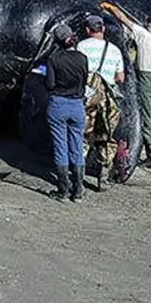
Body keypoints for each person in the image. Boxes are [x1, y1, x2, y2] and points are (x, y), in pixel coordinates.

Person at [99, 1, 151, 169]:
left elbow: (122, 18)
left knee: (147, 116)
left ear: (149, 24)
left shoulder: (144, 35)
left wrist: (109, 7)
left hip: (147, 79)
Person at [77, 14, 125, 191]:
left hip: (87, 99)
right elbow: (120, 77)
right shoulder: (114, 50)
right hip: (108, 101)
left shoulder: (81, 46)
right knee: (106, 137)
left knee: (83, 135)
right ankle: (103, 178)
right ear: (103, 29)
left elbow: (77, 68)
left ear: (88, 30)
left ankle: (78, 176)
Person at [43, 23, 89, 202]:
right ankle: (78, 190)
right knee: (77, 147)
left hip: (58, 104)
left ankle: (63, 190)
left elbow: (50, 85)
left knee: (60, 147)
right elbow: (84, 80)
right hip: (77, 105)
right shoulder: (82, 58)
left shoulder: (54, 59)